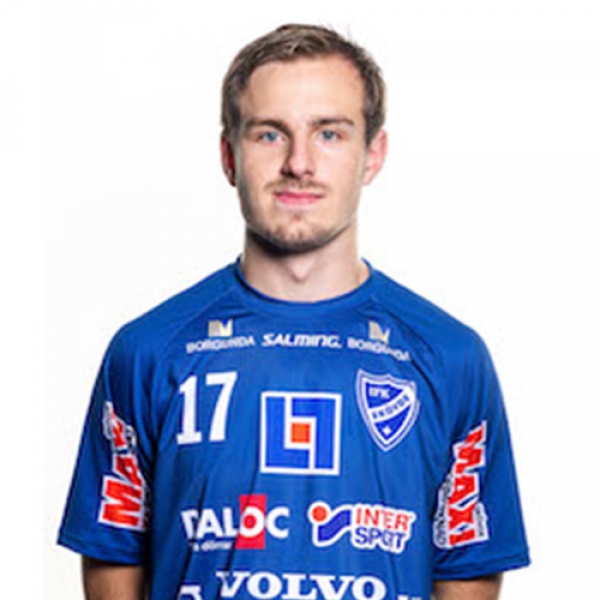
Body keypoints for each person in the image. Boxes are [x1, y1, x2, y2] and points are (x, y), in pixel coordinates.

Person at [58, 23, 530, 600]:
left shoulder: (450, 357)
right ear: (230, 157)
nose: (299, 163)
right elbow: (113, 553)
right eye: (269, 134)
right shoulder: (148, 351)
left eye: (329, 133)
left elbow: (466, 563)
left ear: (372, 155)